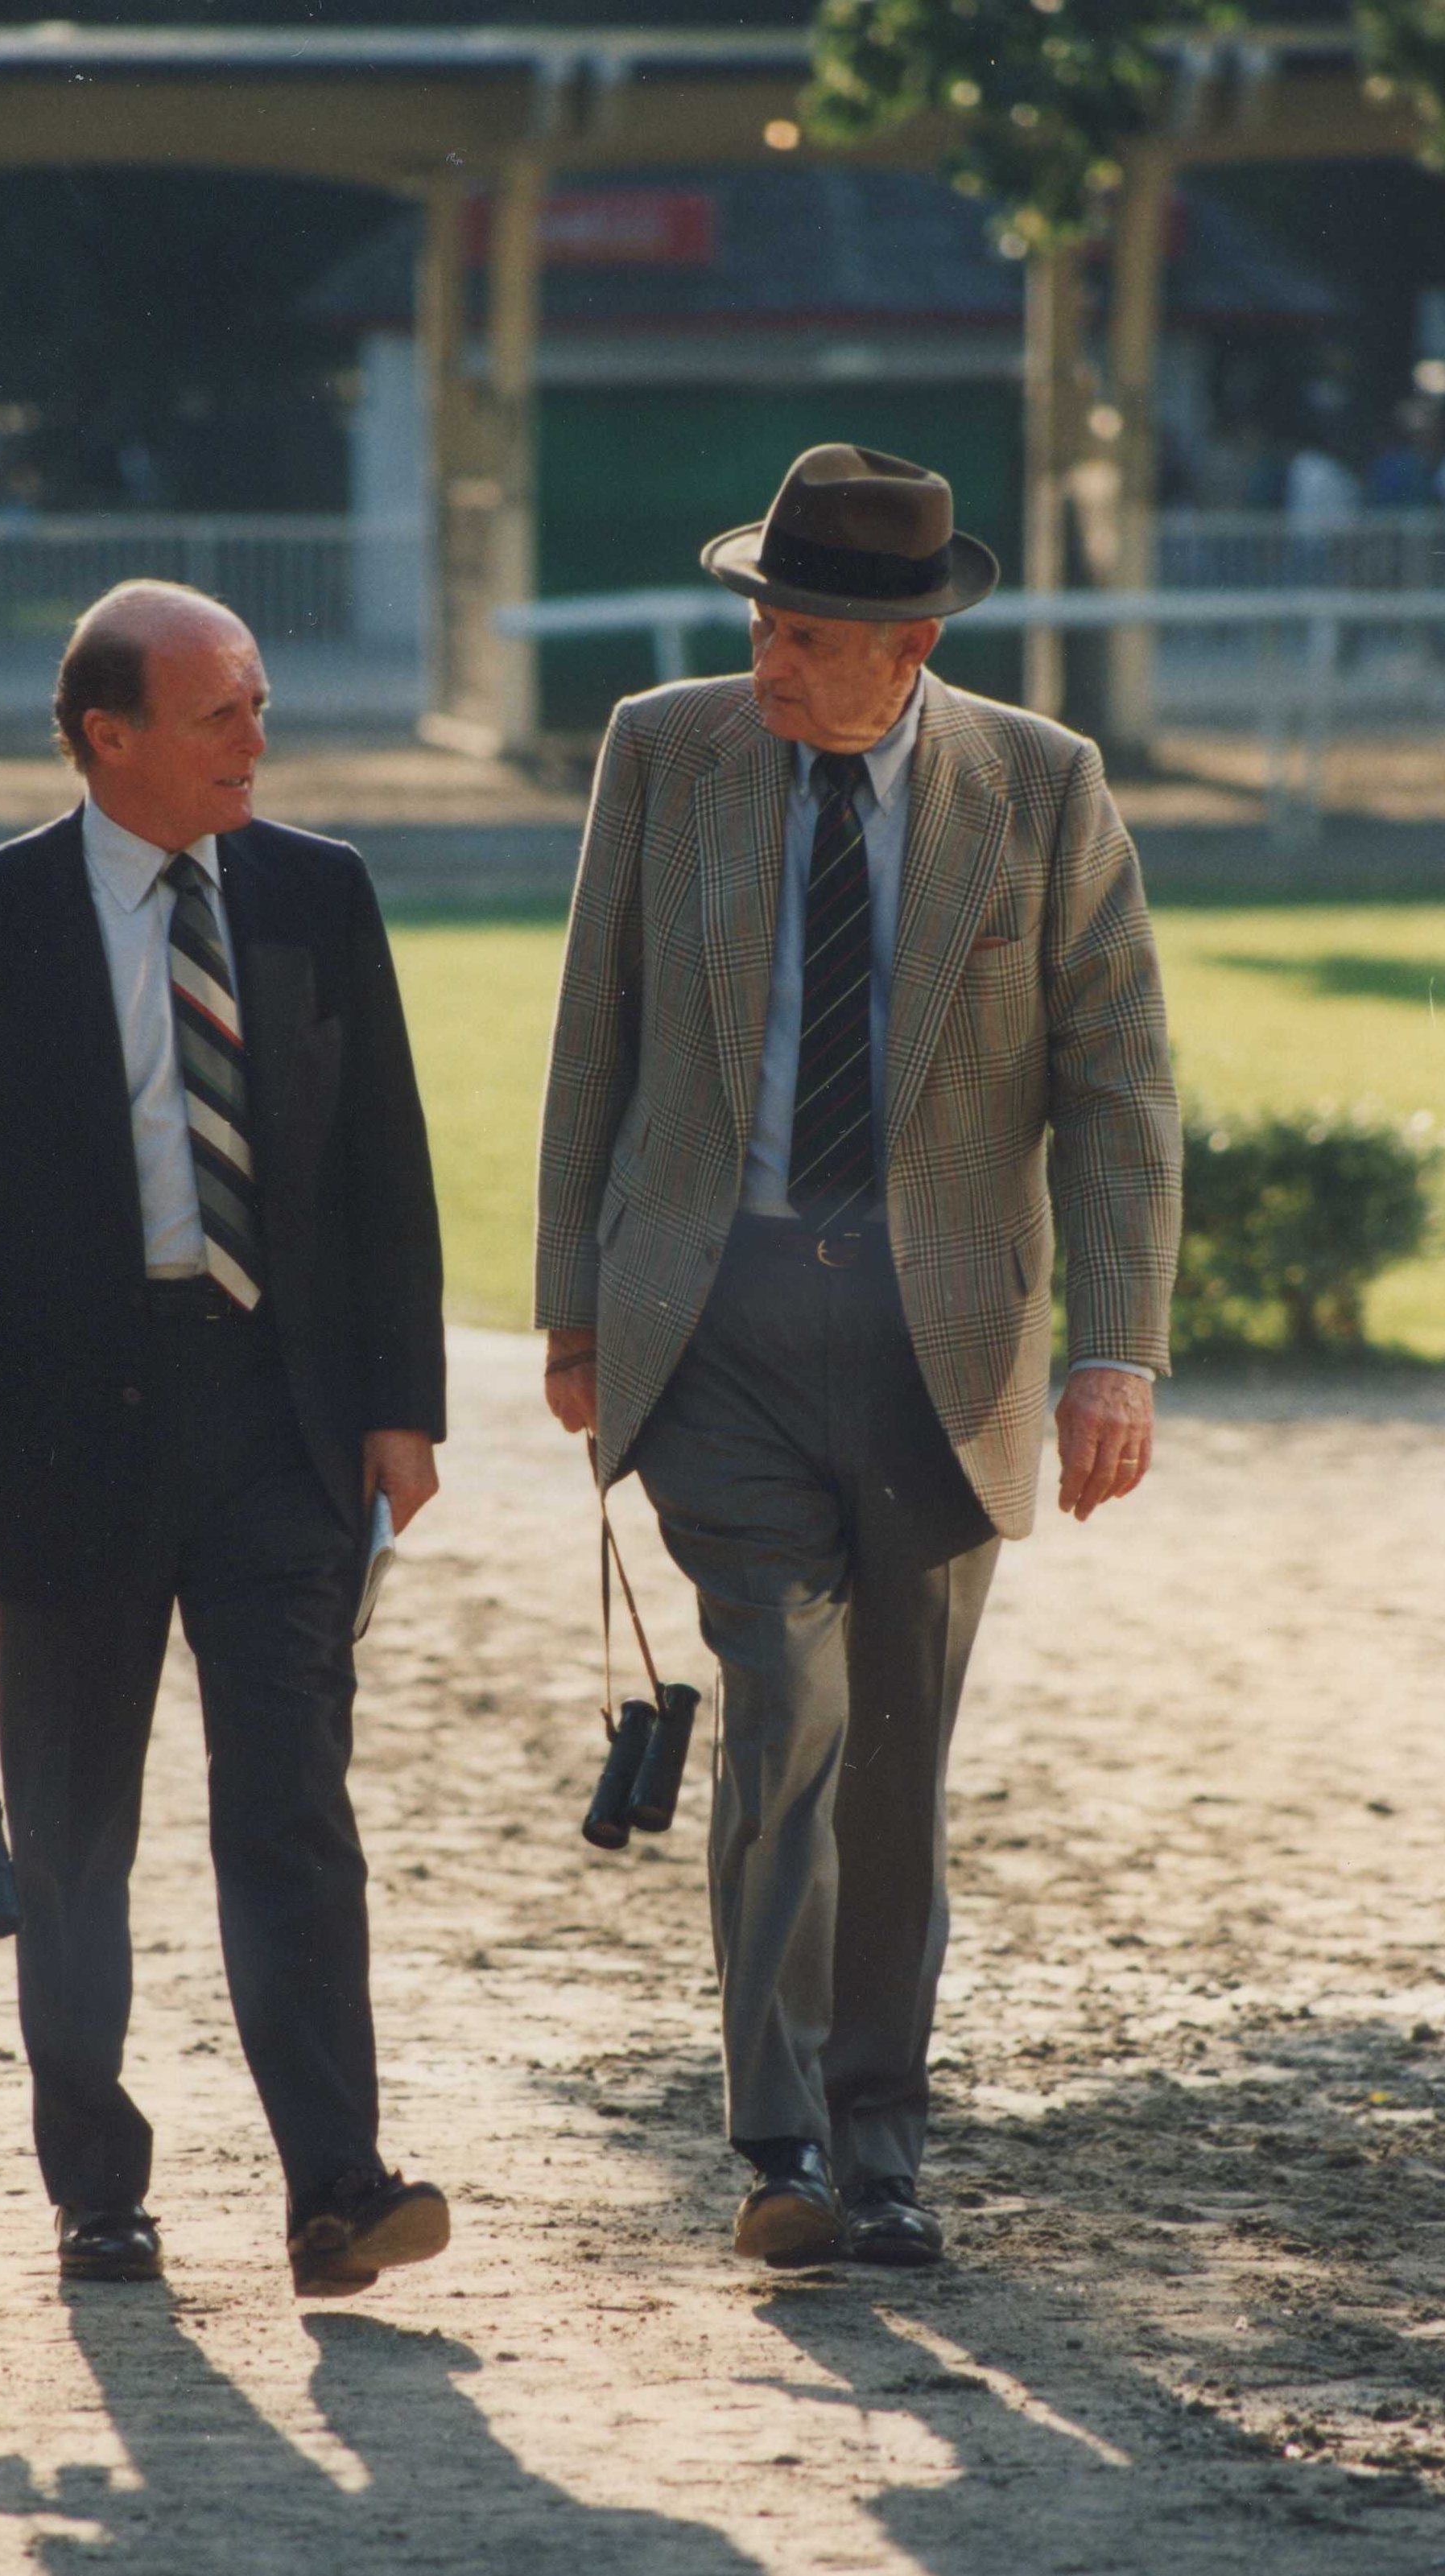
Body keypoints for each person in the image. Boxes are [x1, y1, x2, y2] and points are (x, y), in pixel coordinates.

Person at [536, 447, 1181, 2270]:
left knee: (893, 1752)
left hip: (937, 1351)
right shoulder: (662, 752)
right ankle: (780, 2146)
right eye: (759, 618)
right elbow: (596, 1029)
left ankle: (883, 2150)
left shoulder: (1040, 790)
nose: (769, 660)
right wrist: (573, 1303)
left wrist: (1113, 1353)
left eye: (806, 634)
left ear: (906, 648)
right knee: (784, 1705)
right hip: (714, 1327)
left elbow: (1118, 1083)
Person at [0, 579, 451, 2298]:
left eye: (259, 703)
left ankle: (335, 2183)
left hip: (282, 1426)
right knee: (75, 1832)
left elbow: (383, 1168)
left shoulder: (319, 894)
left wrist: (400, 1403)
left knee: (290, 1811)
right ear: (108, 738)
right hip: (62, 1444)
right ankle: (96, 2189)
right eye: (220, 715)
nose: (258, 739)